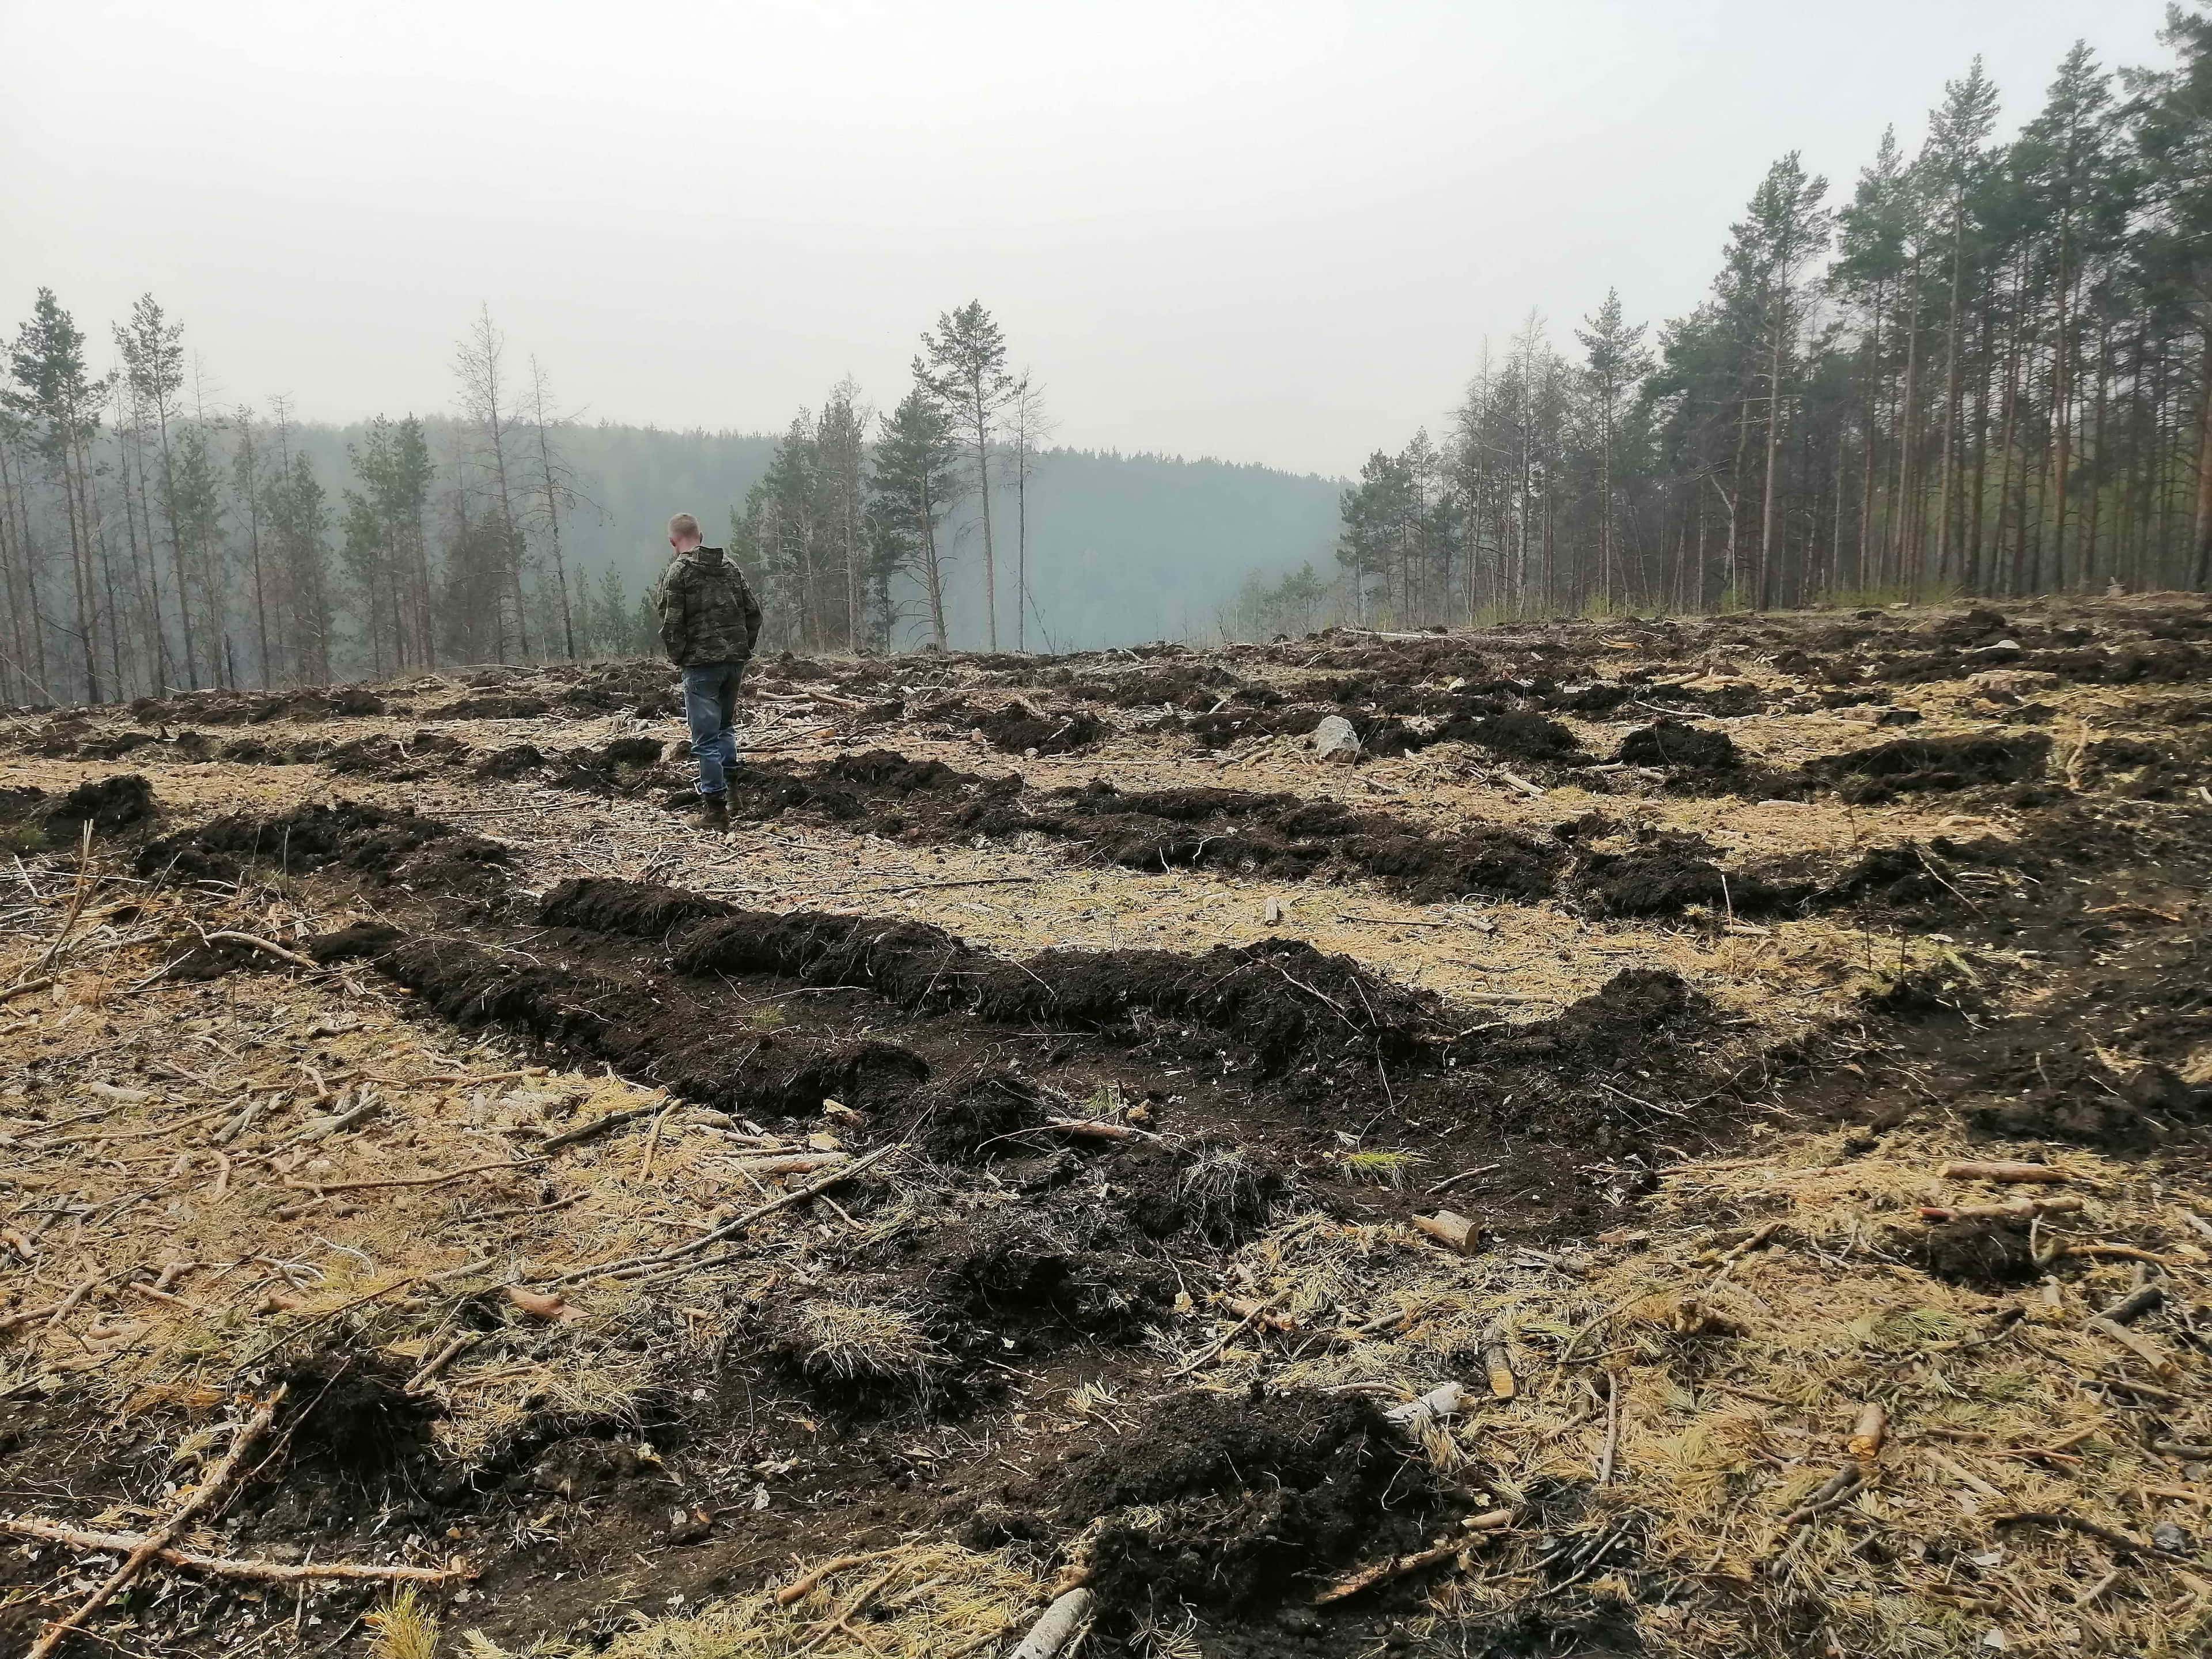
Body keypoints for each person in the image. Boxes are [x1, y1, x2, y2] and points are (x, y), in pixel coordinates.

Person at [653, 512, 762, 830]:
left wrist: (680, 657)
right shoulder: (731, 568)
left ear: (673, 542)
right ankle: (733, 797)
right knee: (725, 729)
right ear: (701, 535)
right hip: (734, 663)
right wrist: (741, 648)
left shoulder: (678, 573)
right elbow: (753, 612)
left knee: (705, 739)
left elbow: (671, 623)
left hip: (701, 667)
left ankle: (715, 812)